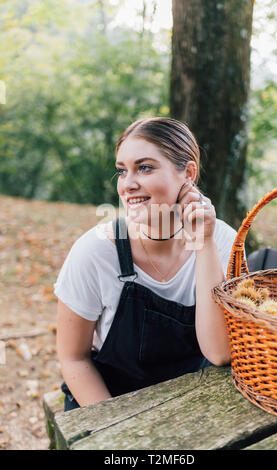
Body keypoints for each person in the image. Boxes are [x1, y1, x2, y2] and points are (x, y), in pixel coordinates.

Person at [54, 117, 236, 412]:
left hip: (192, 401)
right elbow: (74, 359)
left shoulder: (223, 240)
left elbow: (219, 353)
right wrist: (114, 431)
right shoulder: (95, 251)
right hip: (107, 404)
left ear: (188, 173)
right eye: (122, 171)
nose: (128, 184)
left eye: (145, 167)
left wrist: (203, 243)